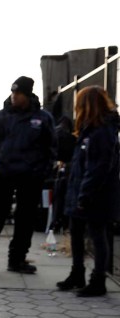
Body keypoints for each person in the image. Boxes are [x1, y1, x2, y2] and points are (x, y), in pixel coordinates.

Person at [0, 76, 57, 275]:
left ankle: (17, 260)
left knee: (25, 219)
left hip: (31, 177)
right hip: (2, 176)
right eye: (13, 92)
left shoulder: (42, 119)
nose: (14, 96)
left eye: (19, 93)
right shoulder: (0, 117)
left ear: (28, 94)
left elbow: (51, 148)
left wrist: (43, 172)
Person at [56, 86, 120, 297]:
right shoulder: (89, 130)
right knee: (76, 232)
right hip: (82, 191)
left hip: (95, 195)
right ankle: (78, 273)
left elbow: (99, 167)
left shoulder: (102, 132)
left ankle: (98, 280)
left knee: (97, 236)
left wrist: (85, 194)